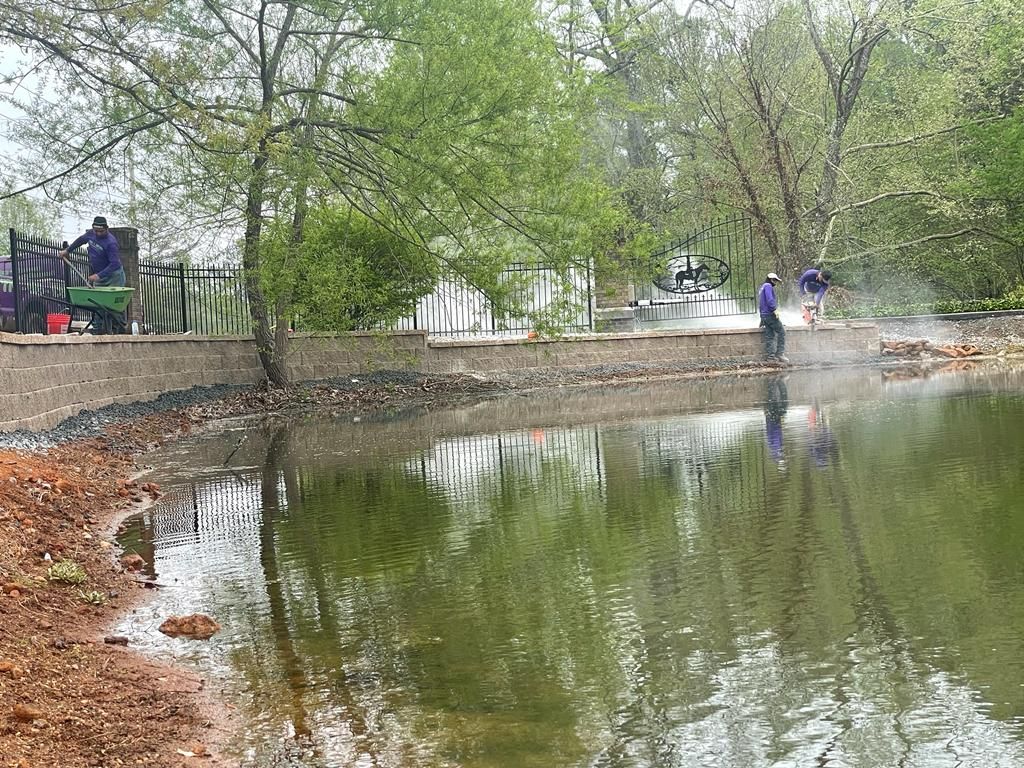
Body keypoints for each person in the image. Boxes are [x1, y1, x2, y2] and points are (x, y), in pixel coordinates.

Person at [58, 216, 125, 287]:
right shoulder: (90, 234)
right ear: (93, 228)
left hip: (113, 277)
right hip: (100, 276)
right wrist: (67, 250)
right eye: (96, 231)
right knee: (98, 297)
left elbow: (115, 264)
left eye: (101, 231)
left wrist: (98, 276)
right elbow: (80, 240)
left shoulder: (111, 243)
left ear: (106, 229)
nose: (98, 233)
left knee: (111, 297)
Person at [757, 272, 788, 363]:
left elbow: (761, 303)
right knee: (781, 332)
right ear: (771, 279)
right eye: (775, 280)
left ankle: (771, 357)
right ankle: (780, 353)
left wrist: (762, 317)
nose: (776, 282)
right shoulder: (768, 286)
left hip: (764, 315)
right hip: (770, 314)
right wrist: (774, 309)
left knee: (770, 336)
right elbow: (770, 300)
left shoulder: (762, 287)